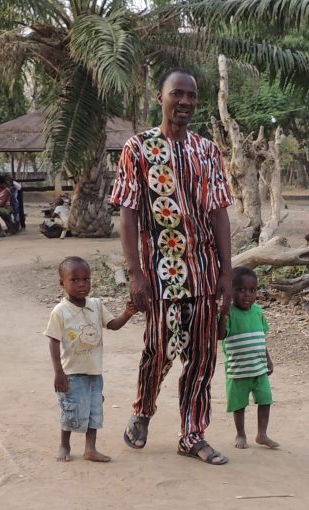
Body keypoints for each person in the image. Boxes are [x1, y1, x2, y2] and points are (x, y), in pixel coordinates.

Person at [111, 68, 234, 466]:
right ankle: (144, 409)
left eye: (191, 96)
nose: (185, 102)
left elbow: (218, 214)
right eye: (177, 94)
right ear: (160, 96)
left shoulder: (207, 151)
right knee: (157, 349)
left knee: (202, 357)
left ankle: (192, 434)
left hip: (203, 272)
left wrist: (226, 273)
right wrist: (135, 273)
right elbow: (127, 215)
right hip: (160, 273)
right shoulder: (138, 148)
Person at [44, 256, 137, 462]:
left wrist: (127, 314)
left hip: (94, 372)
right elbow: (53, 342)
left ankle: (90, 449)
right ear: (62, 283)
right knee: (71, 410)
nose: (81, 284)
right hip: (72, 374)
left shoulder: (96, 305)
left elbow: (112, 325)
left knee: (95, 411)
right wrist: (58, 372)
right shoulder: (60, 312)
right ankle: (64, 444)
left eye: (86, 279)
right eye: (74, 280)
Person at [217, 267, 279, 450]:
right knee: (239, 404)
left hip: (259, 368)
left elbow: (261, 338)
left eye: (252, 290)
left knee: (266, 400)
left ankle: (262, 434)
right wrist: (223, 314)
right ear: (231, 291)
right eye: (241, 290)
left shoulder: (258, 312)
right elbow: (220, 336)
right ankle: (241, 433)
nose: (248, 295)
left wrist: (268, 359)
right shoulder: (230, 314)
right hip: (237, 370)